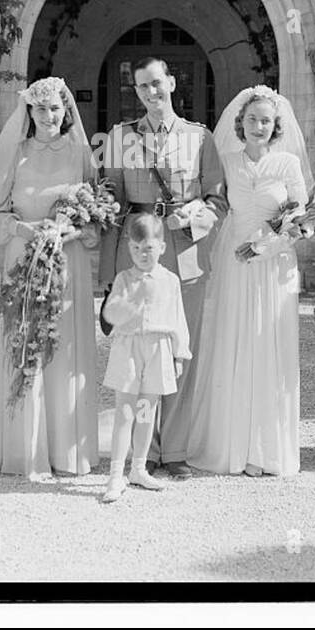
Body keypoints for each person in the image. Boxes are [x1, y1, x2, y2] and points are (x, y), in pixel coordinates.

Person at [99, 56, 227, 480]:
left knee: (179, 350)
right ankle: (144, 452)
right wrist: (108, 271)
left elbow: (218, 199)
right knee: (138, 349)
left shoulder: (199, 137)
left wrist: (190, 219)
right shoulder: (120, 138)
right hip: (137, 252)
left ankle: (174, 449)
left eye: (157, 83)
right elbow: (110, 201)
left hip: (183, 252)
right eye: (142, 86)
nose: (151, 92)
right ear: (136, 92)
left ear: (172, 82)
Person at [187, 86, 311, 477]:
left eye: (266, 120)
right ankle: (232, 445)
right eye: (252, 119)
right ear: (241, 123)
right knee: (234, 341)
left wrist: (266, 246)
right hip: (235, 262)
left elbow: (301, 220)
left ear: (276, 126)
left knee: (269, 345)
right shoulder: (226, 161)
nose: (259, 126)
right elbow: (213, 206)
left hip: (276, 266)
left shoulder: (288, 164)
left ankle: (266, 450)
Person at [0, 77, 99, 480]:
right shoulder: (14, 154)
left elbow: (96, 215)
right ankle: (26, 451)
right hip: (24, 257)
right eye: (40, 108)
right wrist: (24, 230)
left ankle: (67, 452)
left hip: (68, 261)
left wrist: (71, 231)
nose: (48, 116)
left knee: (65, 349)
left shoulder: (80, 152)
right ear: (28, 111)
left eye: (55, 108)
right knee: (26, 345)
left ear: (66, 111)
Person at [100, 215, 191, 502]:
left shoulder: (170, 281)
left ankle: (138, 468)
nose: (142, 254)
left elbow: (178, 319)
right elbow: (110, 313)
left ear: (161, 247)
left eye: (148, 248)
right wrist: (128, 304)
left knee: (146, 411)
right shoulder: (124, 279)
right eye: (136, 248)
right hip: (128, 348)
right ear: (129, 248)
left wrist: (179, 354)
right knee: (125, 412)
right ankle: (116, 474)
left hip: (157, 348)